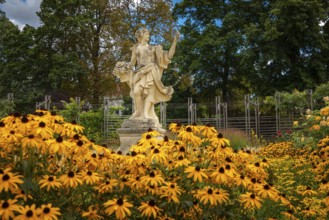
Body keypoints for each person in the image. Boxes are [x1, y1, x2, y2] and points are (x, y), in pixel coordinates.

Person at [128, 28, 179, 125]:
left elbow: (169, 56)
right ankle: (138, 112)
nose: (149, 36)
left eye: (148, 34)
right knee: (136, 91)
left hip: (151, 72)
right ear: (141, 36)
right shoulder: (136, 48)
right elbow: (132, 62)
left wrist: (175, 42)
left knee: (149, 94)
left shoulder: (153, 48)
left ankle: (146, 114)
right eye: (147, 34)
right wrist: (126, 68)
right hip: (140, 73)